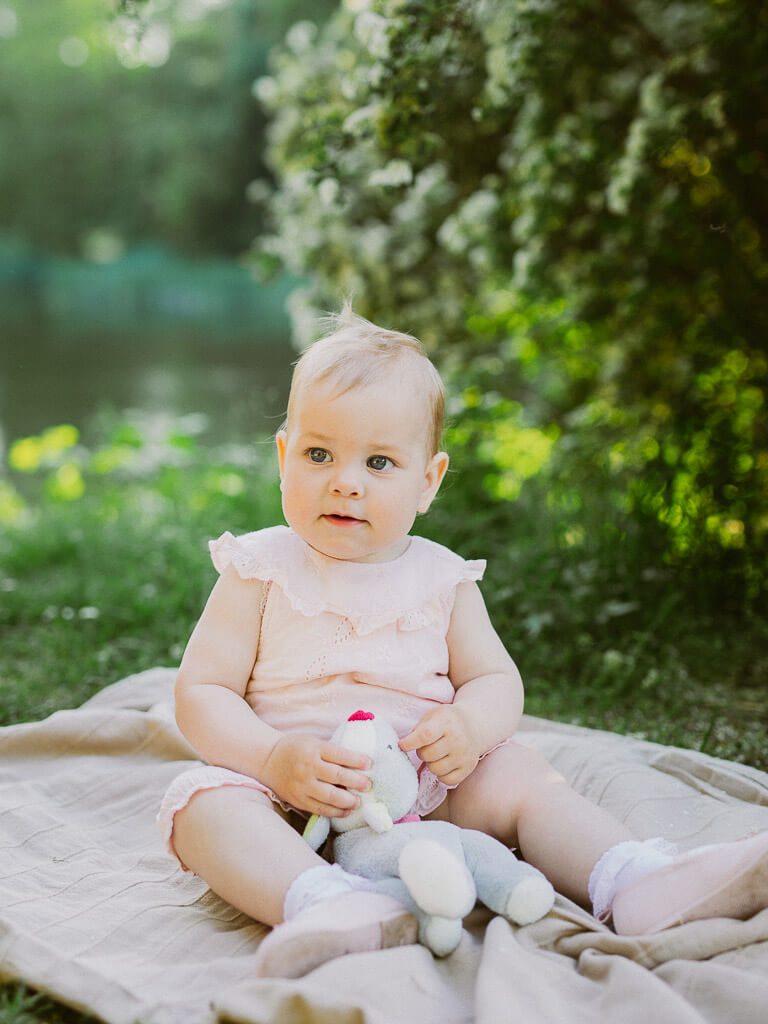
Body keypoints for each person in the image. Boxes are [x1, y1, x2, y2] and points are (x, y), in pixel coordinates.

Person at [158, 304, 768, 978]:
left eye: (380, 461)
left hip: (426, 788)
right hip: (283, 798)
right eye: (318, 453)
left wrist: (470, 728)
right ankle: (326, 903)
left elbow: (497, 681)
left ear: (429, 480)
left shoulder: (441, 580)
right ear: (283, 457)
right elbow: (201, 690)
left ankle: (633, 879)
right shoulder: (261, 567)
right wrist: (271, 758)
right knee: (198, 805)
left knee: (522, 776)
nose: (345, 480)